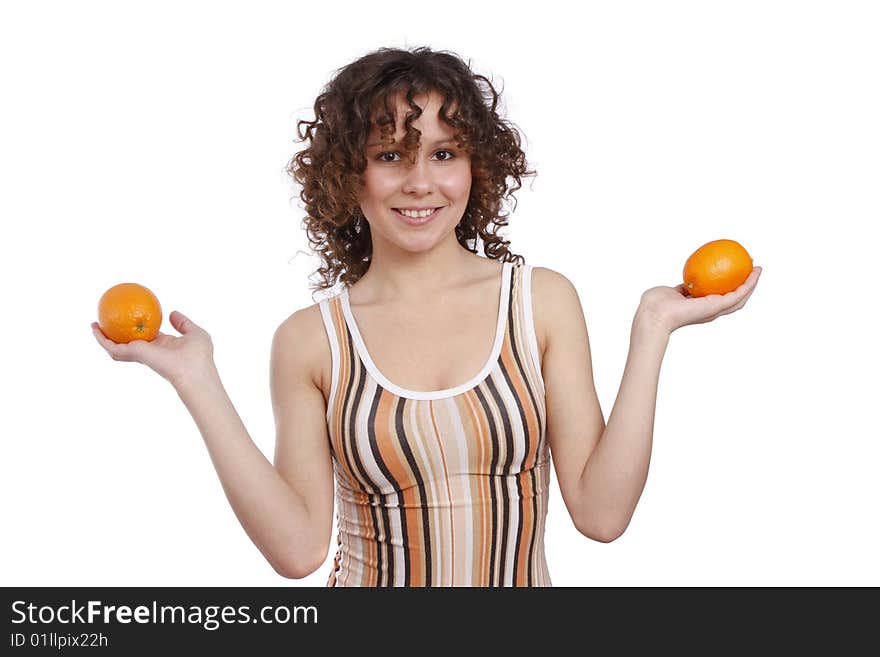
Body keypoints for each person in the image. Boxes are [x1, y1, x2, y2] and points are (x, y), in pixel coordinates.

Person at [91, 46, 762, 587]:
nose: (420, 183)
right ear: (349, 176)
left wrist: (652, 328)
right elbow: (297, 551)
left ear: (477, 166)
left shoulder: (541, 302)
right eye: (391, 156)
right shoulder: (310, 341)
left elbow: (603, 512)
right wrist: (196, 378)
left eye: (444, 153)